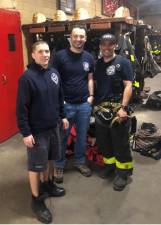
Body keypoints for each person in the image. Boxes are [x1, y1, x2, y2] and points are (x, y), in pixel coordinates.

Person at [16, 41, 69, 223]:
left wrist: (62, 116)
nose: (45, 55)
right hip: (37, 131)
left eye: (47, 51)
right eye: (41, 51)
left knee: (50, 159)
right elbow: (21, 108)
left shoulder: (53, 73)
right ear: (33, 54)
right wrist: (25, 132)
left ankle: (47, 185)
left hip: (53, 126)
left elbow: (59, 96)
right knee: (35, 165)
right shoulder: (27, 78)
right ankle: (36, 198)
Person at [50, 25, 94, 183]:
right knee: (62, 137)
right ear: (70, 37)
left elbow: (89, 78)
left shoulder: (89, 57)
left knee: (82, 137)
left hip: (84, 104)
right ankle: (59, 165)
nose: (78, 39)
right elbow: (53, 79)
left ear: (85, 39)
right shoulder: (59, 57)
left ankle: (80, 162)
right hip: (65, 104)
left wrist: (91, 96)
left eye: (82, 36)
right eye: (76, 36)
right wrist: (59, 101)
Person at [94, 33, 133, 191]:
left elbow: (128, 85)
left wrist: (123, 108)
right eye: (104, 44)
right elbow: (96, 84)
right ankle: (110, 166)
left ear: (116, 45)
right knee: (104, 142)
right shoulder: (97, 64)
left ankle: (123, 172)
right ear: (100, 46)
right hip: (101, 109)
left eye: (110, 44)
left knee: (120, 143)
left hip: (118, 110)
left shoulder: (123, 62)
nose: (107, 47)